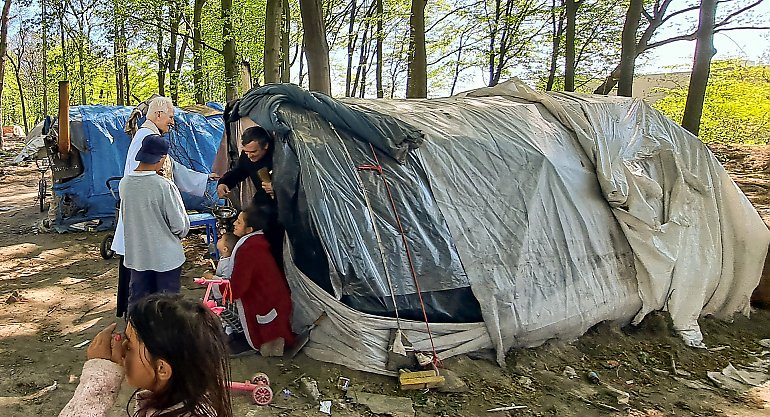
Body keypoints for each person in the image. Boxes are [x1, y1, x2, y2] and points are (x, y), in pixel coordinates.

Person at [113, 96, 215, 318]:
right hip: (158, 241)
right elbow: (179, 225)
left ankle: (139, 330)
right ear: (158, 114)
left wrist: (204, 178)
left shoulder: (147, 144)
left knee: (140, 293)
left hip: (139, 244)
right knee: (165, 299)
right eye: (170, 117)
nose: (172, 122)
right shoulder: (147, 140)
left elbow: (171, 168)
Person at [58, 294, 232, 417]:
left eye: (130, 345)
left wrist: (98, 380)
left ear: (162, 369)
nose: (121, 348)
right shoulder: (187, 396)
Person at [119, 134, 189, 310]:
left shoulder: (125, 183)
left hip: (138, 257)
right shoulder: (164, 186)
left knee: (139, 305)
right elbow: (179, 226)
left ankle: (136, 336)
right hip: (166, 259)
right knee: (168, 309)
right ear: (163, 158)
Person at [220, 206, 295, 357]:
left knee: (220, 302)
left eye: (239, 222)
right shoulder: (256, 243)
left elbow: (237, 288)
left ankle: (242, 339)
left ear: (249, 229)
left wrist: (217, 285)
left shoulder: (249, 249)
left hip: (265, 305)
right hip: (273, 302)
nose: (234, 223)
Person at [216, 126, 284, 267]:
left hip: (284, 206)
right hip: (263, 202)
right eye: (246, 152)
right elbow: (240, 171)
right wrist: (224, 182)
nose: (250, 156)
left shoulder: (280, 156)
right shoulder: (247, 157)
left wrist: (278, 188)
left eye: (253, 152)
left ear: (265, 146)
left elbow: (297, 180)